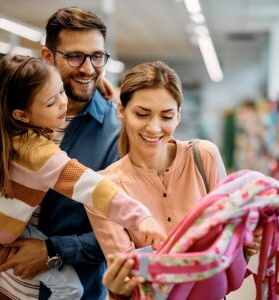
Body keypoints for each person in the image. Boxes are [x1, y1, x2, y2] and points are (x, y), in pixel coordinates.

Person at [0, 55, 165, 299]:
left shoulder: (0, 134)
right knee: (71, 289)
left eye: (61, 90)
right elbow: (94, 187)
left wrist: (96, 83)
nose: (64, 102)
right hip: (1, 240)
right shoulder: (39, 155)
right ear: (22, 114)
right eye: (51, 102)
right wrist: (140, 217)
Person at [0, 7, 127, 300]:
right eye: (75, 56)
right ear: (48, 57)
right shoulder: (16, 113)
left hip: (71, 291)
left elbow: (125, 233)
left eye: (97, 56)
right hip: (3, 287)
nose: (88, 69)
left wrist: (52, 251)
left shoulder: (116, 132)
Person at [84, 61, 262, 299]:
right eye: (141, 114)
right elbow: (129, 281)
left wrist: (245, 243)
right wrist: (118, 290)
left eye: (166, 116)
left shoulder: (204, 157)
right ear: (121, 110)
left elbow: (227, 256)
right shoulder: (105, 189)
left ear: (178, 115)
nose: (154, 127)